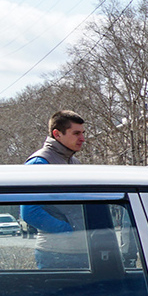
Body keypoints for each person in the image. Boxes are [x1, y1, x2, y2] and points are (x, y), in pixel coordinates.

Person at [22, 111, 88, 268]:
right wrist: (69, 231)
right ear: (57, 134)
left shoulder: (74, 162)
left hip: (80, 252)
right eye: (76, 133)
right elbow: (29, 212)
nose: (82, 139)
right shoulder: (39, 163)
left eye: (83, 133)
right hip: (55, 255)